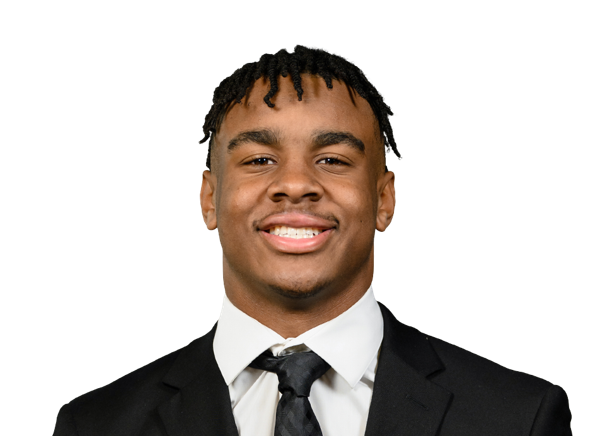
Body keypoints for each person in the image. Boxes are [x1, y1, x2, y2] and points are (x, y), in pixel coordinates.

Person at [54, 45, 572, 435]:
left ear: (384, 199)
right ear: (209, 199)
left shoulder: (518, 417)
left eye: (333, 160)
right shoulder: (94, 425)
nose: (296, 183)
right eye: (260, 159)